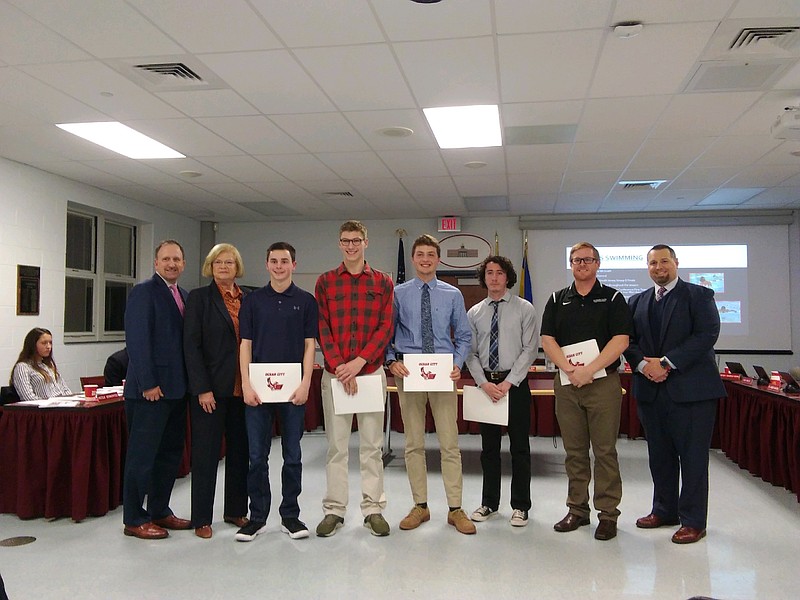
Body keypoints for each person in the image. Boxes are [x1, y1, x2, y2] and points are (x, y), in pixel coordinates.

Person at [624, 244, 726, 544]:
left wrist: (666, 363)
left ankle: (694, 521)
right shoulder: (636, 301)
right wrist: (644, 364)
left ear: (676, 263)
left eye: (664, 261)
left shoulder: (698, 295)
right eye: (653, 263)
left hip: (693, 393)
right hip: (651, 392)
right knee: (660, 456)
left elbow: (707, 334)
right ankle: (664, 510)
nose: (659, 268)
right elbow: (627, 341)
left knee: (693, 459)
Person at [540, 241, 633, 541]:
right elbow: (547, 339)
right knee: (575, 452)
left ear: (597, 264)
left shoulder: (613, 297)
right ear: (571, 264)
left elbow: (620, 340)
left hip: (602, 383)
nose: (582, 264)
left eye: (588, 260)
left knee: (605, 451)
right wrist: (569, 369)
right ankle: (577, 510)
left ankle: (608, 515)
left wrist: (588, 370)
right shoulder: (557, 299)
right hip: (567, 384)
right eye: (576, 260)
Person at [386, 234, 475, 535]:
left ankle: (455, 508)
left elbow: (463, 335)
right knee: (413, 444)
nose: (425, 259)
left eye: (431, 255)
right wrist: (390, 361)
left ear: (438, 259)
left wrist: (457, 364)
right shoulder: (398, 293)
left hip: (441, 373)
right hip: (408, 373)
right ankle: (420, 506)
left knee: (449, 443)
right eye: (420, 254)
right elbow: (387, 334)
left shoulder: (452, 294)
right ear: (413, 259)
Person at [315, 220, 394, 537]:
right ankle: (334, 509)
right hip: (335, 374)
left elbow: (385, 327)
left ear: (366, 242)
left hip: (371, 372)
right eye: (345, 241)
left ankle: (373, 508)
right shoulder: (325, 282)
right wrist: (339, 366)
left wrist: (359, 363)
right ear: (339, 244)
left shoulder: (383, 282)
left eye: (356, 240)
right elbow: (322, 328)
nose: (351, 246)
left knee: (372, 447)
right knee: (336, 447)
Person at [235, 242, 318, 542]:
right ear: (266, 264)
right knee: (257, 457)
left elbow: (310, 345)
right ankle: (256, 517)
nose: (279, 266)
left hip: (294, 391)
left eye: (285, 261)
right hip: (258, 391)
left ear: (294, 265)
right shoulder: (252, 301)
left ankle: (290, 516)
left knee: (293, 456)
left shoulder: (307, 301)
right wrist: (246, 383)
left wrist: (306, 382)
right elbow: (245, 345)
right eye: (274, 261)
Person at [122, 240, 191, 540]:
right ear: (155, 263)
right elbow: (137, 341)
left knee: (168, 455)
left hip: (177, 392)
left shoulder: (184, 296)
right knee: (142, 457)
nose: (171, 264)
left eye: (176, 259)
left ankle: (160, 510)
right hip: (149, 393)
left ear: (183, 264)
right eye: (166, 259)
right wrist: (148, 382)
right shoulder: (143, 293)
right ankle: (134, 519)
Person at [465, 256, 539, 528]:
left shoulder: (524, 309)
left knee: (520, 447)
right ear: (483, 278)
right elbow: (470, 353)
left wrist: (508, 383)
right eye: (489, 273)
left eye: (499, 273)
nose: (494, 277)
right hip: (486, 385)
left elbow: (530, 350)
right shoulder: (474, 312)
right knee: (489, 449)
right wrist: (484, 383)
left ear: (508, 277)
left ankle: (520, 506)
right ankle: (489, 503)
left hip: (514, 385)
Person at [183, 243, 249, 539]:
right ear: (210, 266)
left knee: (240, 453)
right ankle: (201, 519)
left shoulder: (248, 299)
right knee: (206, 455)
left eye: (229, 262)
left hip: (242, 391)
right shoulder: (199, 299)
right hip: (211, 392)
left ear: (237, 267)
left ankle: (236, 510)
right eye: (218, 262)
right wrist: (202, 389)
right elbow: (191, 347)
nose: (224, 267)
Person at [11, 328, 72, 400]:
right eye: (44, 343)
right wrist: (50, 403)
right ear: (33, 345)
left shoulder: (49, 365)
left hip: (62, 405)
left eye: (50, 343)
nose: (49, 347)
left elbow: (65, 390)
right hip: (43, 408)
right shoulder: (22, 367)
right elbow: (28, 398)